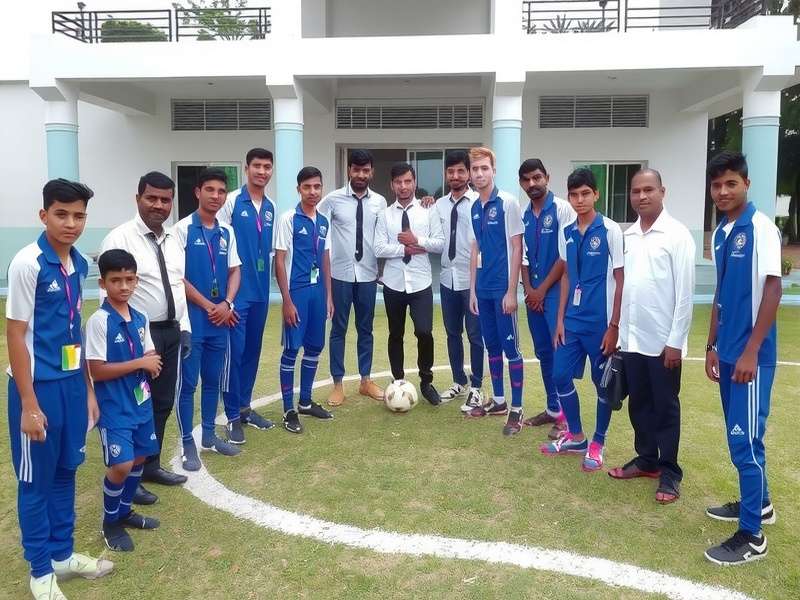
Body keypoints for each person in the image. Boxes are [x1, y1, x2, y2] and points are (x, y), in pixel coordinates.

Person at [7, 179, 113, 599]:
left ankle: (62, 555)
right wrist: (28, 405)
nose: (71, 223)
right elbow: (15, 335)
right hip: (37, 389)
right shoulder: (27, 263)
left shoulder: (79, 265)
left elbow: (73, 331)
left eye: (79, 215)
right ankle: (39, 571)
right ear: (43, 215)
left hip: (71, 385)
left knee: (67, 470)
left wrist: (87, 390)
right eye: (62, 214)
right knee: (36, 482)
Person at [703, 151, 782, 566]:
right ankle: (761, 504)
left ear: (746, 184)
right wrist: (712, 345)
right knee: (742, 440)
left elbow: (773, 289)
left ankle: (753, 536)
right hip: (728, 353)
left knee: (744, 445)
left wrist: (751, 350)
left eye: (730, 183)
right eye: (716, 185)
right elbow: (720, 293)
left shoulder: (761, 228)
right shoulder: (722, 231)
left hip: (752, 357)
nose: (722, 191)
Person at [100, 171, 190, 504]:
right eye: (151, 198)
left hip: (170, 332)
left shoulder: (173, 237)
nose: (159, 205)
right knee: (135, 404)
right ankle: (129, 479)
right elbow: (111, 292)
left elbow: (178, 285)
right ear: (137, 197)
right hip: (137, 335)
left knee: (162, 402)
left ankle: (149, 465)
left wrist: (185, 328)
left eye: (165, 200)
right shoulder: (120, 238)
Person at [609, 169, 695, 505]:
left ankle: (670, 471)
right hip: (632, 340)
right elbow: (622, 287)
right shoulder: (628, 236)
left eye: (648, 190)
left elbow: (685, 296)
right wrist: (617, 331)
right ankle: (645, 459)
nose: (641, 196)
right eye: (635, 191)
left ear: (662, 191)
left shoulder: (677, 235)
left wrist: (676, 341)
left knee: (665, 408)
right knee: (639, 404)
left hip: (663, 344)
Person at [540, 168, 624, 471]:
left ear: (596, 194)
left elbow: (621, 278)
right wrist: (560, 319)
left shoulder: (611, 230)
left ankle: (598, 442)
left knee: (602, 386)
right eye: (574, 195)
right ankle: (576, 436)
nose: (579, 200)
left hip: (600, 326)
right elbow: (565, 279)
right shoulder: (567, 232)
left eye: (585, 193)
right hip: (571, 322)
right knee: (560, 375)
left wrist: (614, 326)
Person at [85, 249, 162, 552]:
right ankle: (110, 522)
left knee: (140, 457)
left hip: (140, 403)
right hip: (114, 407)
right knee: (121, 465)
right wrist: (140, 364)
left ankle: (126, 511)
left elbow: (148, 352)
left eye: (129, 279)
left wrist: (151, 361)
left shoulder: (140, 317)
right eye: (116, 280)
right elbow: (96, 370)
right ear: (103, 283)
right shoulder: (99, 321)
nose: (124, 286)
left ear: (136, 280)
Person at [174, 168, 242, 469]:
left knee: (212, 379)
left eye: (221, 191)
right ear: (197, 192)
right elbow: (178, 276)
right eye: (210, 190)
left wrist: (226, 302)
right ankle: (188, 442)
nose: (216, 196)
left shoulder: (227, 231)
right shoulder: (181, 230)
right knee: (188, 384)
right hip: (193, 321)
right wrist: (208, 305)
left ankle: (210, 435)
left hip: (219, 321)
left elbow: (235, 270)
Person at [318, 149, 386, 406]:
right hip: (340, 274)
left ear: (371, 172)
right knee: (338, 329)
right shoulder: (332, 200)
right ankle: (338, 384)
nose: (360, 174)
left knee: (365, 329)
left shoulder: (380, 202)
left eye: (365, 170)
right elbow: (316, 223)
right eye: (356, 170)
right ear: (349, 171)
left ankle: (366, 380)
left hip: (368, 274)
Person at [374, 162, 445, 405]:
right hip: (393, 284)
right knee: (396, 334)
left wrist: (418, 240)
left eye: (407, 181)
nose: (403, 187)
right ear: (392, 185)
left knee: (424, 332)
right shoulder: (385, 214)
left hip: (421, 283)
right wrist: (405, 248)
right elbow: (379, 247)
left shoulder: (429, 210)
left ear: (414, 182)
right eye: (398, 182)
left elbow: (439, 243)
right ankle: (398, 380)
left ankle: (426, 381)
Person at [219, 148, 276, 443]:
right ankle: (230, 416)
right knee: (235, 354)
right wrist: (224, 297)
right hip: (237, 294)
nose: (262, 172)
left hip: (261, 293)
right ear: (246, 168)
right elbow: (220, 247)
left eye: (267, 167)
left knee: (252, 352)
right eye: (257, 166)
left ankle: (244, 408)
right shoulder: (230, 202)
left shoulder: (271, 207)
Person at [467, 147, 525, 436]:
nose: (479, 174)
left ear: (493, 170)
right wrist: (473, 291)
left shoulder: (508, 203)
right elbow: (475, 248)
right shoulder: (474, 207)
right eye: (474, 169)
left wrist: (512, 291)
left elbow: (517, 247)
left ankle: (517, 408)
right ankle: (499, 401)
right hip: (484, 290)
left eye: (484, 168)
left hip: (504, 290)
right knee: (492, 348)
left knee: (511, 349)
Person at [274, 167, 335, 433]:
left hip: (318, 293)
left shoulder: (323, 221)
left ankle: (306, 401)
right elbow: (279, 261)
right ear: (298, 189)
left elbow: (325, 259)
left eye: (317, 187)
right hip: (296, 292)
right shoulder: (288, 219)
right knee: (291, 349)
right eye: (307, 187)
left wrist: (329, 296)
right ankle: (289, 410)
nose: (313, 192)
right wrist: (286, 300)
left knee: (314, 347)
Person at [519, 158, 575, 439]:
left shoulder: (563, 208)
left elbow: (565, 257)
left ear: (547, 178)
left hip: (555, 292)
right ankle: (553, 409)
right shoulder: (524, 215)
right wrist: (529, 289)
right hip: (533, 294)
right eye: (527, 180)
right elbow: (523, 256)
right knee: (542, 351)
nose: (533, 184)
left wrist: (541, 291)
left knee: (558, 352)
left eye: (537, 178)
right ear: (522, 184)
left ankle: (565, 417)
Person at [432, 151, 486, 410]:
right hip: (447, 278)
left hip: (471, 280)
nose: (455, 176)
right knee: (453, 333)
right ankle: (458, 380)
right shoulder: (438, 206)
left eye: (460, 171)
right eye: (451, 171)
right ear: (446, 174)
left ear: (468, 173)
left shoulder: (479, 202)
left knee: (475, 335)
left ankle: (476, 386)